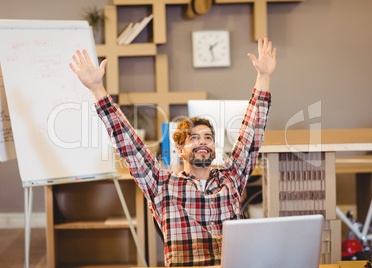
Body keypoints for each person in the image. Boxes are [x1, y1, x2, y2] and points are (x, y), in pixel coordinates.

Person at [69, 37, 276, 267]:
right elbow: (128, 144)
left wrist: (263, 77)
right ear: (180, 150)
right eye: (194, 138)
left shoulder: (231, 177)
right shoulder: (162, 185)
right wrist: (97, 88)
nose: (203, 142)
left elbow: (251, 133)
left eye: (208, 137)